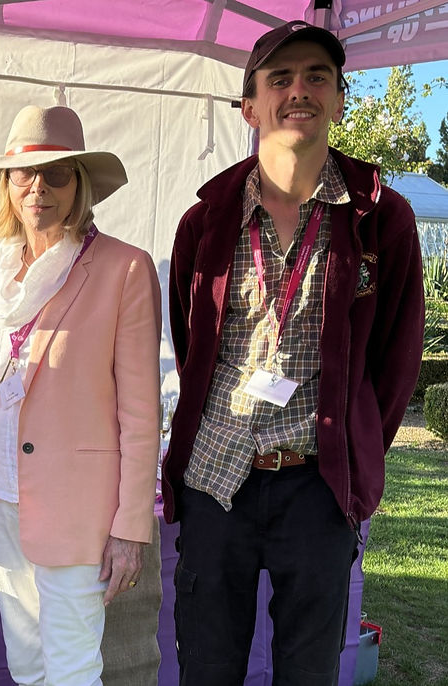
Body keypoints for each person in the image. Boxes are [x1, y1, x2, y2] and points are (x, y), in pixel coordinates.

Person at [162, 22, 424, 686]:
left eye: (316, 77)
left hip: (317, 484)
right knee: (207, 668)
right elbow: (191, 342)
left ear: (340, 99)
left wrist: (357, 448)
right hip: (216, 479)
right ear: (250, 106)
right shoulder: (207, 221)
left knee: (308, 671)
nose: (298, 90)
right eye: (279, 78)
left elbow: (396, 359)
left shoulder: (379, 219)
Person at [0, 104, 162, 686]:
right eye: (24, 174)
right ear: (6, 186)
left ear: (80, 184)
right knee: (26, 661)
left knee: (72, 664)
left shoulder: (125, 269)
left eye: (57, 174)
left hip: (79, 505)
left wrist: (130, 525)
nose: (39, 187)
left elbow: (142, 414)